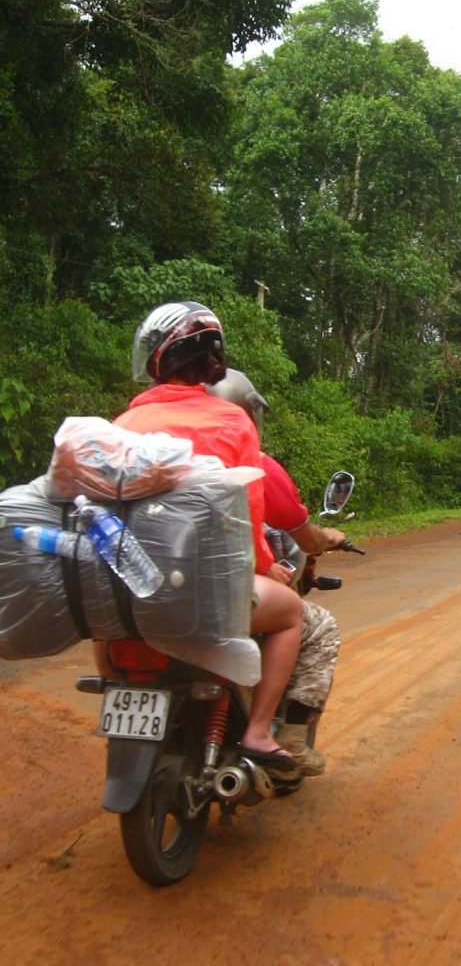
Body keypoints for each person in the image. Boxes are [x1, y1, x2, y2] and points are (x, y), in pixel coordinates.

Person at [108, 301, 305, 769]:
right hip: (206, 588)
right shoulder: (232, 421)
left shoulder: (123, 424)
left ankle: (122, 697)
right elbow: (249, 510)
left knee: (108, 616)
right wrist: (264, 566)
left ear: (156, 360)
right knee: (293, 614)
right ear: (212, 361)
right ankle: (257, 732)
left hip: (133, 585)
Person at [207, 368, 347, 777]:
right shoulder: (255, 463)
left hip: (149, 591)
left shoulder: (159, 454)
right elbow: (304, 536)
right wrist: (328, 538)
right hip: (225, 589)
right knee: (316, 627)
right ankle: (275, 737)